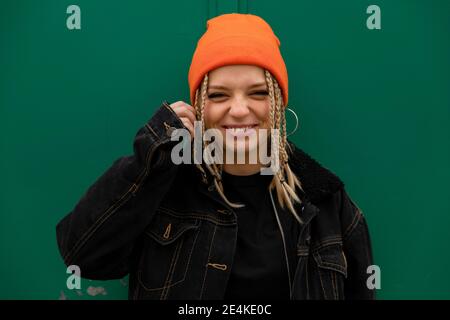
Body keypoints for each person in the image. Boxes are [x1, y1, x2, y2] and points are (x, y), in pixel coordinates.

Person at [56, 13, 375, 300]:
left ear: (277, 103)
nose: (238, 110)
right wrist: (150, 155)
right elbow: (83, 256)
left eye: (258, 93)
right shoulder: (164, 185)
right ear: (199, 107)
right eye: (219, 95)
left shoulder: (326, 202)